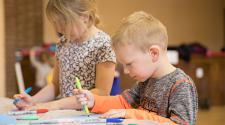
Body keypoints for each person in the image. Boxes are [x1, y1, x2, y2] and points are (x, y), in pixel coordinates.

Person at [74, 11, 198, 125]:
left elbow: (180, 123)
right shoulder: (145, 81)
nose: (126, 71)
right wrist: (94, 101)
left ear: (154, 53)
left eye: (129, 64)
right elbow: (123, 103)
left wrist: (134, 114)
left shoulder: (181, 85)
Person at [13, 0, 116, 110]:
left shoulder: (103, 44)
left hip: (90, 115)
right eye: (56, 24)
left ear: (84, 17)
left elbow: (102, 92)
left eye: (64, 24)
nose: (59, 29)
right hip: (65, 115)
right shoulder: (62, 43)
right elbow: (55, 85)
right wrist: (33, 101)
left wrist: (54, 105)